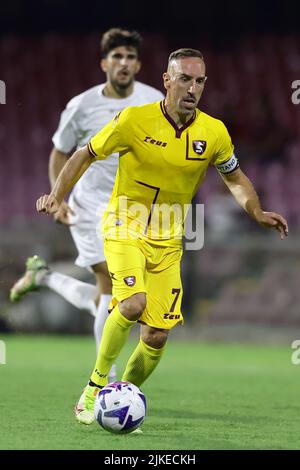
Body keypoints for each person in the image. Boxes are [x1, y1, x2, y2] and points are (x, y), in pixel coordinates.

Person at [36, 48, 288, 425]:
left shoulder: (214, 132)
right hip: (124, 223)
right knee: (133, 303)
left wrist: (257, 211)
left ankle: (121, 397)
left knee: (156, 335)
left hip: (169, 239)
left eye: (200, 81)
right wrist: (58, 194)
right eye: (185, 78)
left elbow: (234, 178)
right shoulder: (134, 120)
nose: (193, 88)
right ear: (167, 80)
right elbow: (84, 153)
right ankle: (94, 387)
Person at [9, 28, 164, 381]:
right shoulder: (82, 105)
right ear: (104, 63)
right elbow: (60, 152)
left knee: (107, 299)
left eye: (130, 57)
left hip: (135, 209)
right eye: (117, 56)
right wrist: (57, 196)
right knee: (112, 288)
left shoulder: (154, 100)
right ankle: (105, 384)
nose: (123, 63)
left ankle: (44, 277)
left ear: (138, 65)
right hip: (90, 205)